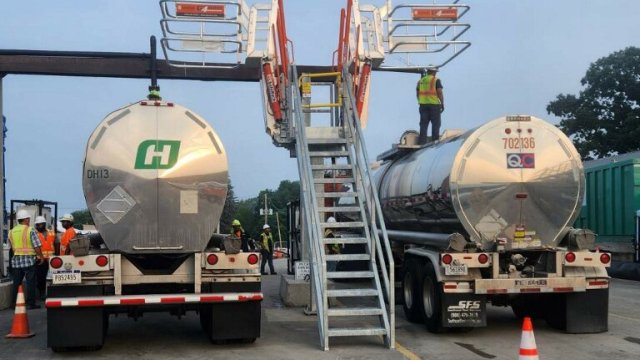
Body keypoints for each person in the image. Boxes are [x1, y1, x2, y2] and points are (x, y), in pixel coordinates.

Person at [9, 210, 44, 309]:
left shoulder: (11, 232)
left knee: (16, 283)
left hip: (16, 262)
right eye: (28, 219)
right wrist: (40, 257)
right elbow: (36, 246)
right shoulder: (30, 230)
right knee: (30, 283)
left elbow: (12, 247)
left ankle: (14, 304)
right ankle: (30, 304)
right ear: (26, 219)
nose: (29, 220)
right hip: (28, 260)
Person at [416, 66, 444, 144]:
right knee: (435, 124)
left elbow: (417, 93)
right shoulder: (436, 80)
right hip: (434, 105)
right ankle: (435, 141)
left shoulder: (420, 81)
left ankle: (422, 142)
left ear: (428, 71)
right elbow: (440, 92)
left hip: (423, 105)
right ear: (434, 72)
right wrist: (442, 103)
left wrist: (420, 101)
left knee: (423, 124)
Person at [34, 216, 55, 300]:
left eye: (41, 224)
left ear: (44, 224)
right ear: (36, 225)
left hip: (51, 258)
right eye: (38, 224)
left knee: (52, 276)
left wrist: (56, 255)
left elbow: (56, 243)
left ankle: (53, 292)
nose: (39, 226)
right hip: (40, 259)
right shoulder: (34, 234)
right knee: (41, 277)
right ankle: (42, 293)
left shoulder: (51, 233)